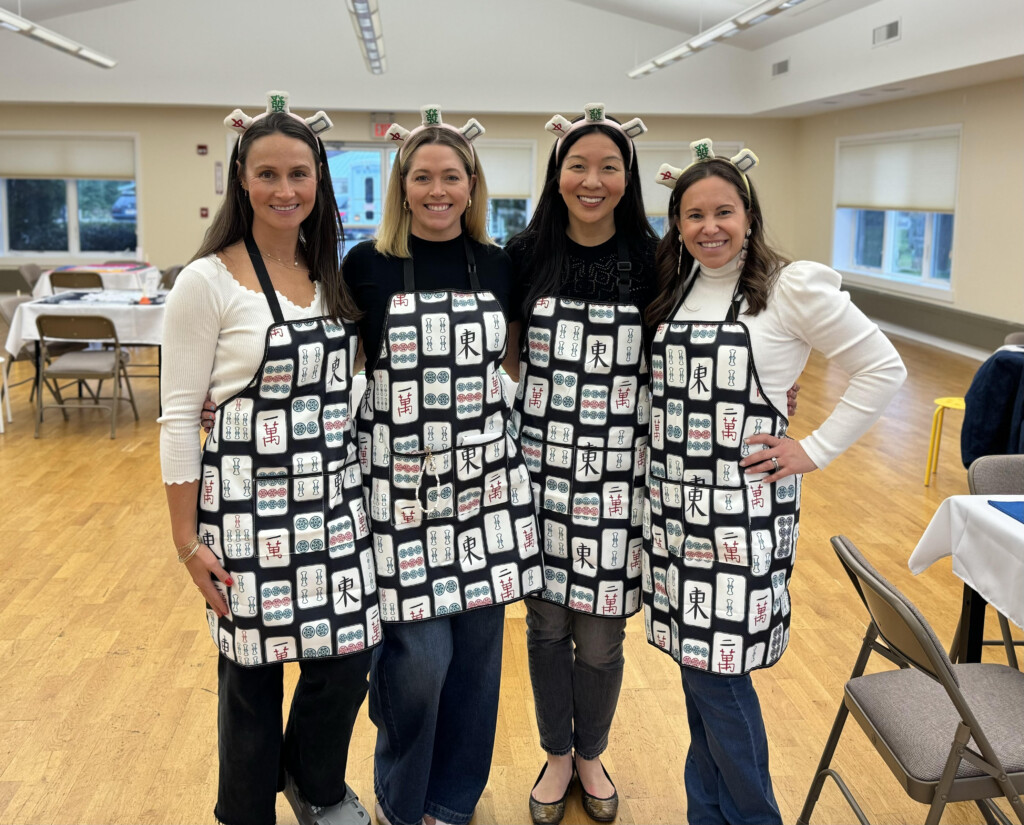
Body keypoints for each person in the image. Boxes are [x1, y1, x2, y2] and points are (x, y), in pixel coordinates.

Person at [642, 139, 907, 825]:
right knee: (696, 678)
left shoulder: (790, 287)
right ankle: (709, 815)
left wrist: (812, 448)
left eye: (723, 211)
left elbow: (883, 369)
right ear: (675, 222)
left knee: (717, 676)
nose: (709, 227)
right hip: (674, 512)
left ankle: (757, 817)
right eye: (693, 214)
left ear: (750, 217)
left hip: (740, 515)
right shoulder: (676, 286)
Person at [160, 91, 380, 825]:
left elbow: (340, 393)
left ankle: (312, 781)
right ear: (240, 182)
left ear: (320, 182)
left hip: (332, 504)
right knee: (251, 674)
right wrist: (187, 541)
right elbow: (176, 420)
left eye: (299, 174)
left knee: (349, 655)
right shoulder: (208, 281)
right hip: (247, 512)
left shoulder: (330, 280)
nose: (284, 190)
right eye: (267, 174)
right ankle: (245, 808)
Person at [342, 106, 543, 825]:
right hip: (399, 490)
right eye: (421, 177)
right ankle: (402, 799)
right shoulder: (364, 265)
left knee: (478, 665)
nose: (437, 189)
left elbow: (515, 363)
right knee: (418, 662)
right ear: (402, 186)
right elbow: (337, 367)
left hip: (484, 489)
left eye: (450, 176)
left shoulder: (496, 263)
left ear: (471, 183)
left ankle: (453, 801)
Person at [504, 103, 659, 825]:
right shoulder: (524, 252)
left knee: (599, 640)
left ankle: (590, 748)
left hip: (619, 483)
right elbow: (501, 355)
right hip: (540, 475)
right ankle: (555, 753)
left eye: (608, 166)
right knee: (544, 630)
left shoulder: (658, 262)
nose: (591, 179)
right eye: (577, 165)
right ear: (556, 174)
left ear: (626, 178)